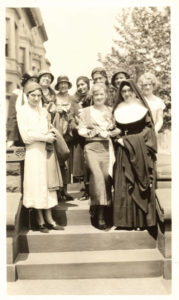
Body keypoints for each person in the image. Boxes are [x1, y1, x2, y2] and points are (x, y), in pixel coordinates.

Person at [17, 82, 63, 233]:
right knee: (37, 183)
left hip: (47, 151)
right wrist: (44, 138)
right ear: (27, 95)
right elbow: (26, 137)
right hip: (34, 152)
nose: (36, 98)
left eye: (38, 95)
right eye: (33, 95)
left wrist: (50, 134)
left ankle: (50, 219)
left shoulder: (43, 112)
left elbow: (49, 128)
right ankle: (39, 220)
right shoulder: (23, 111)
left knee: (47, 183)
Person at [113, 79, 157, 230]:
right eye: (123, 91)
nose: (126, 94)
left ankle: (140, 222)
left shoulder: (142, 108)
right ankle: (125, 222)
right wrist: (116, 136)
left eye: (129, 91)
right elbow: (116, 128)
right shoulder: (118, 108)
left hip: (139, 150)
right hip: (123, 150)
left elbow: (148, 131)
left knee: (138, 184)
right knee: (124, 183)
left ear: (134, 91)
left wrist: (129, 141)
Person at [78, 83, 119, 230]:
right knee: (97, 177)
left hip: (106, 148)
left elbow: (118, 129)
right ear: (92, 96)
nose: (99, 97)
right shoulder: (85, 111)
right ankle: (99, 214)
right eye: (96, 95)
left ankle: (101, 210)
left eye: (102, 94)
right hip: (91, 148)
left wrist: (109, 133)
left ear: (106, 96)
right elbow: (81, 130)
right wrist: (92, 132)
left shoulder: (111, 111)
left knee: (106, 179)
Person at [53, 75, 74, 201]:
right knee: (57, 161)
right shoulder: (54, 97)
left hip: (68, 133)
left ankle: (65, 190)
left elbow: (77, 112)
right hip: (57, 132)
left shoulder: (72, 98)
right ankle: (57, 190)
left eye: (65, 83)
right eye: (61, 84)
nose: (63, 86)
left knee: (67, 163)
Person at [70, 76, 92, 199]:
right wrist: (76, 126)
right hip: (80, 135)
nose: (80, 87)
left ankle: (92, 190)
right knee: (83, 164)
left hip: (92, 134)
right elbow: (71, 117)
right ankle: (86, 189)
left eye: (83, 84)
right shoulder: (75, 100)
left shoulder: (93, 97)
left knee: (91, 162)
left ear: (88, 85)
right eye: (78, 85)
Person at [6, 71, 38, 148]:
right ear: (25, 81)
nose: (33, 83)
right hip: (19, 135)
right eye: (31, 80)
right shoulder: (17, 95)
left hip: (35, 135)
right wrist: (11, 138)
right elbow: (12, 117)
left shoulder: (38, 96)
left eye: (35, 81)